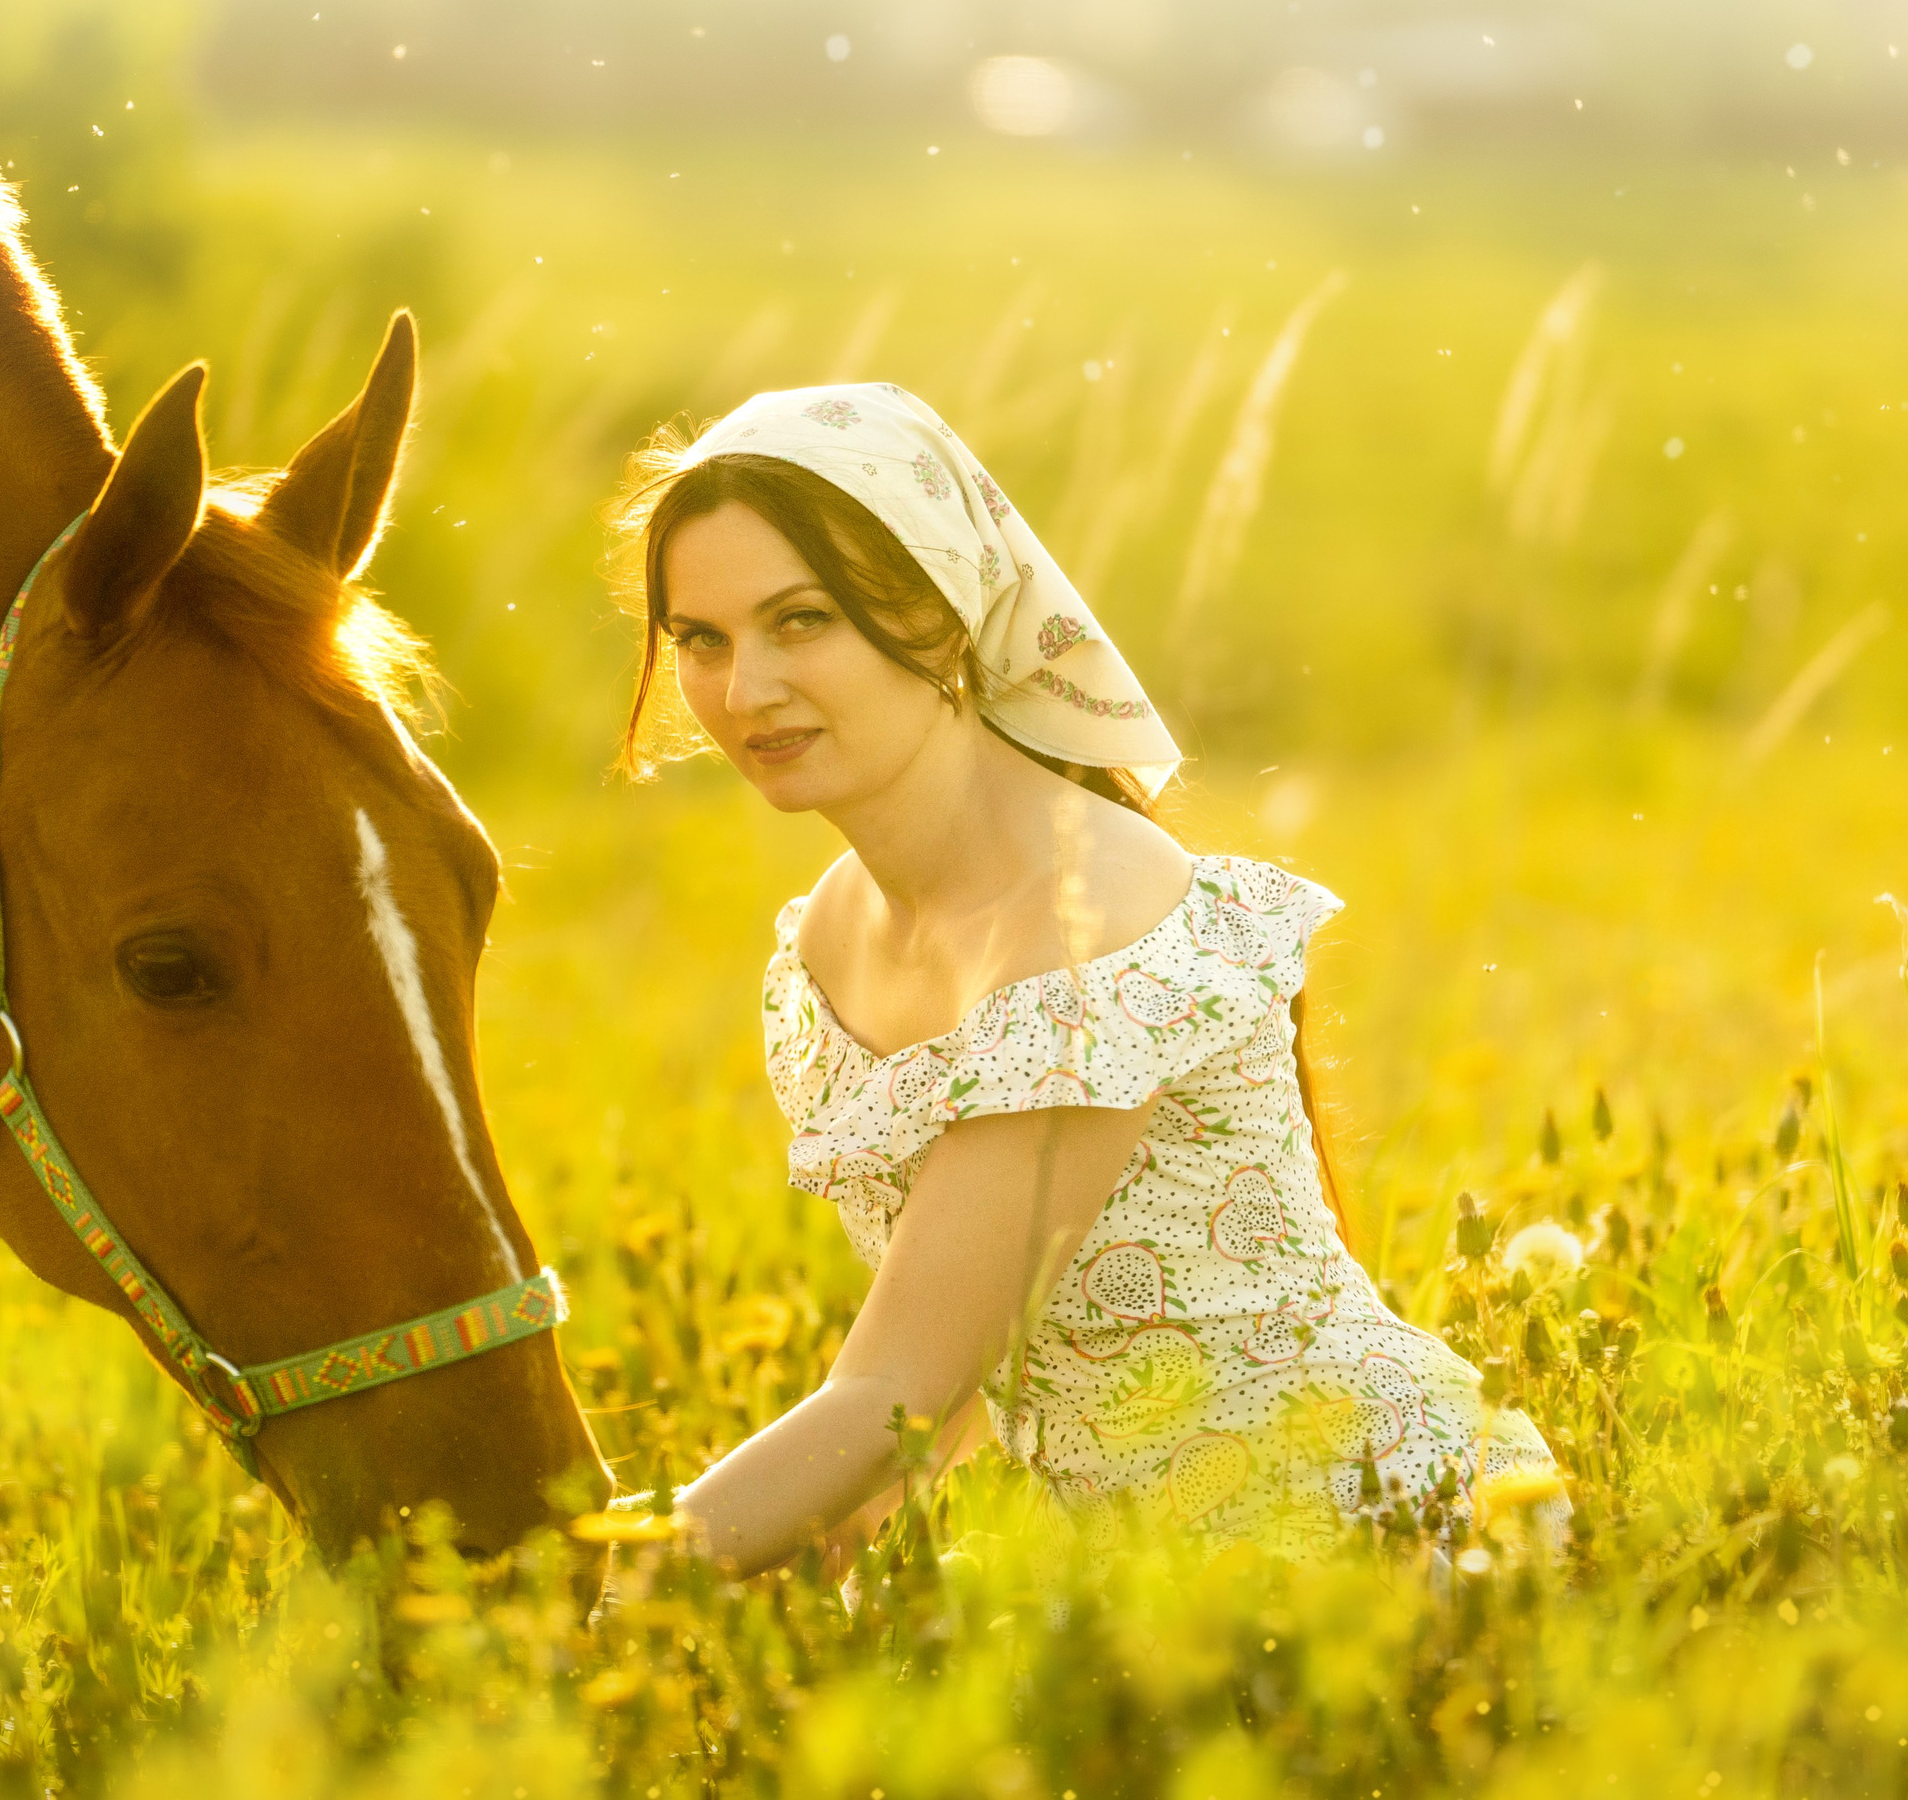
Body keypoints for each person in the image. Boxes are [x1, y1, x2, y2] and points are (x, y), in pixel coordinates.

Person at [606, 382, 1563, 1576]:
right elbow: (940, 1395)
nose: (742, 691)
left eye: (801, 621)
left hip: (1346, 1526)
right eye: (701, 638)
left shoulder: (1081, 926)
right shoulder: (829, 943)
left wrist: (598, 1581)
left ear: (943, 617)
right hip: (1104, 1576)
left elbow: (889, 1392)